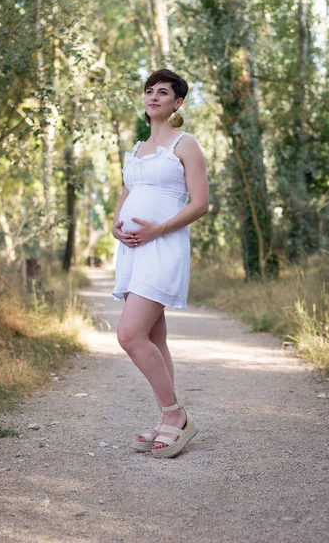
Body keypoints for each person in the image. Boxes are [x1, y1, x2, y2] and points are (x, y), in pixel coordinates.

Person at [111, 68, 209, 458]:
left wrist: (160, 228)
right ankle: (166, 417)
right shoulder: (136, 149)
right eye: (149, 91)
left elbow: (200, 203)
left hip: (163, 246)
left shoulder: (185, 144)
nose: (153, 97)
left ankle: (176, 415)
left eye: (163, 92)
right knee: (154, 337)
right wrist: (117, 229)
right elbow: (126, 199)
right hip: (133, 250)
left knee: (129, 334)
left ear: (177, 103)